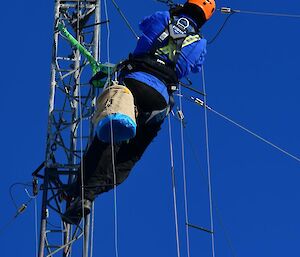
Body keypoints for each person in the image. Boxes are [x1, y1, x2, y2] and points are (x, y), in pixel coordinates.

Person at [62, 0, 216, 224]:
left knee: (109, 137)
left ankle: (82, 192)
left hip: (134, 85)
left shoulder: (163, 17)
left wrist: (170, 17)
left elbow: (144, 25)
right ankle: (87, 193)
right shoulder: (200, 43)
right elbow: (195, 66)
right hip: (159, 102)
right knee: (128, 158)